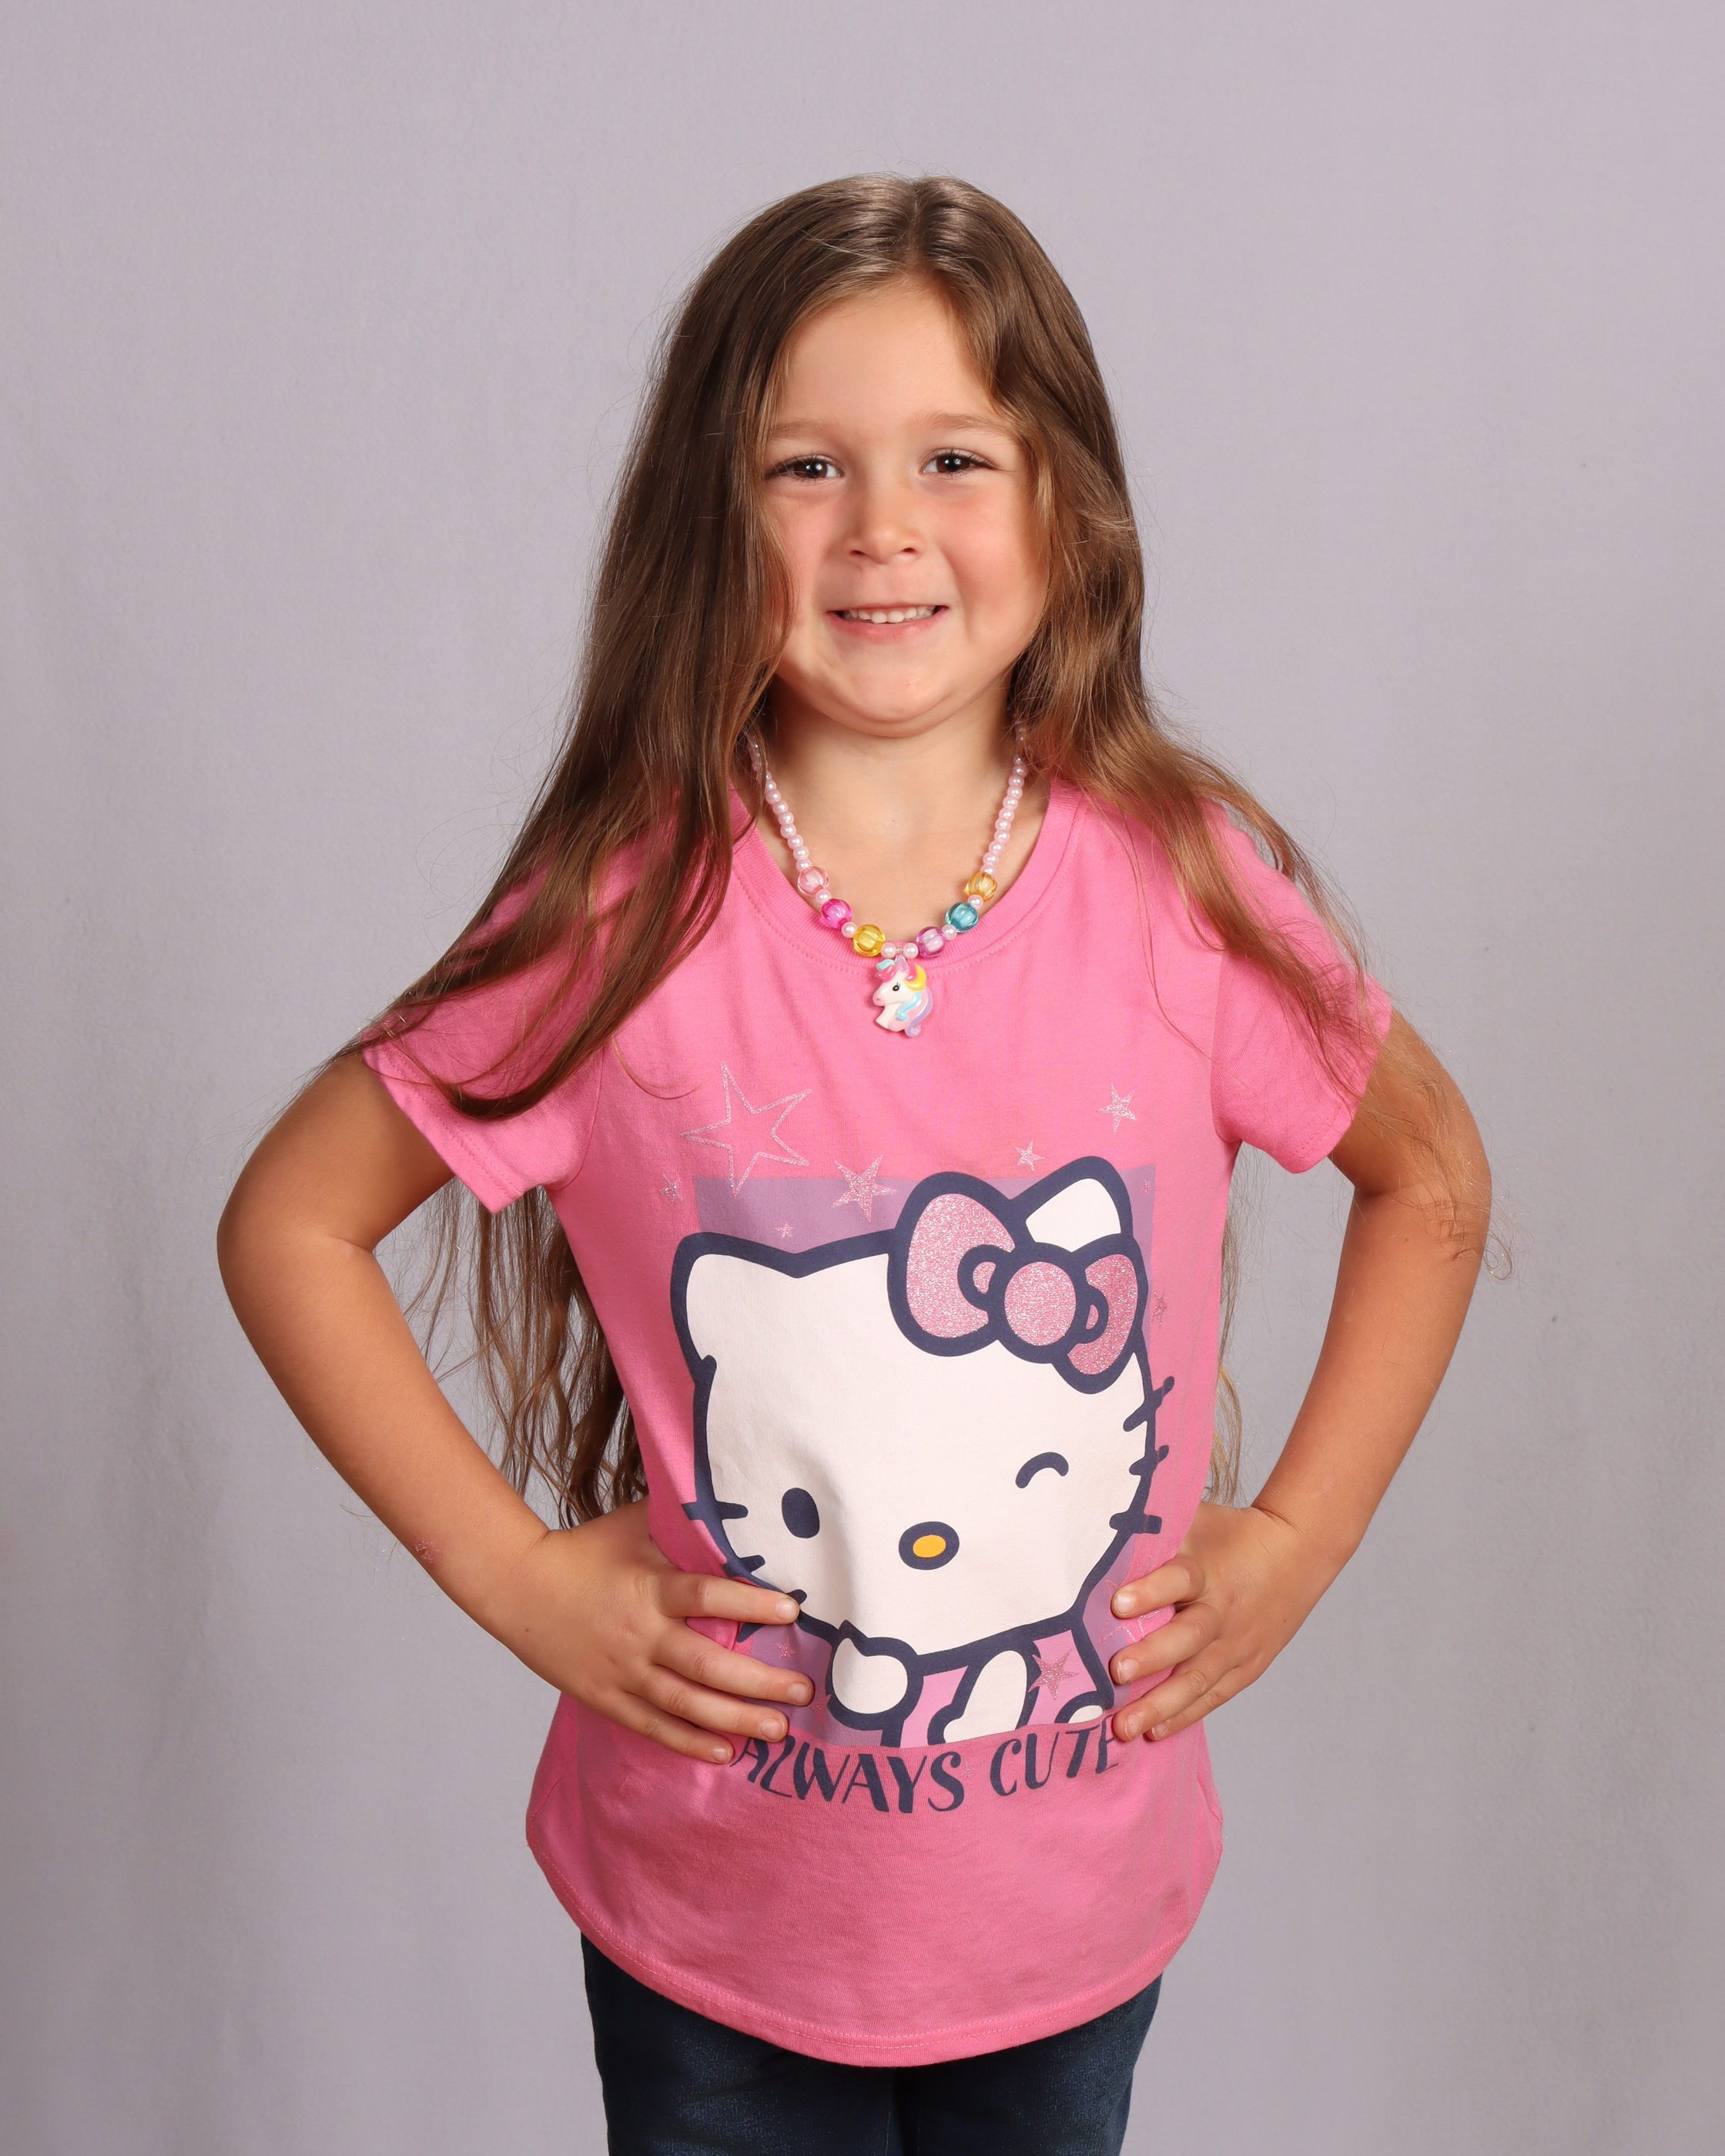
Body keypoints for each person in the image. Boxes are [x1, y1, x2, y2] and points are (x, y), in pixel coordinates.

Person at [218, 174, 1492, 2155]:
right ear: (708, 522)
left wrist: (1299, 1541)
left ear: (1068, 510)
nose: (882, 525)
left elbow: (1432, 1174)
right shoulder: (620, 914)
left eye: (953, 457)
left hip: (1069, 1911)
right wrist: (515, 1577)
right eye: (805, 465)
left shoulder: (1182, 890)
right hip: (709, 1919)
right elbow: (291, 1219)